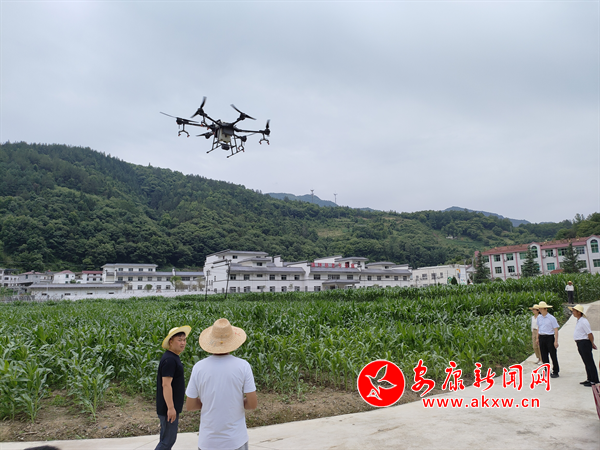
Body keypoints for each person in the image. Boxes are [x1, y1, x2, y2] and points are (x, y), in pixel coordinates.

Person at [186, 318, 258, 450]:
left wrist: (208, 402)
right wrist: (236, 402)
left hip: (207, 442)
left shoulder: (199, 368)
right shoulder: (243, 366)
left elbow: (190, 405)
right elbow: (252, 404)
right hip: (235, 440)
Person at [155, 325, 191, 450]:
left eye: (184, 340)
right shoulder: (170, 360)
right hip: (168, 408)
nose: (183, 343)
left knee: (166, 440)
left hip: (170, 407)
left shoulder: (173, 357)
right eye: (179, 340)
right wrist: (170, 408)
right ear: (171, 342)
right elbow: (166, 384)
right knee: (167, 441)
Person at [569, 304, 599, 386]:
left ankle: (594, 380)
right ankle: (589, 378)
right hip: (580, 343)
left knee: (589, 362)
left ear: (579, 312)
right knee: (586, 362)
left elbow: (590, 334)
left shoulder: (583, 321)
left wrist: (592, 343)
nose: (573, 312)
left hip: (584, 343)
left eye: (574, 311)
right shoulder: (579, 320)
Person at [536, 301, 560, 378]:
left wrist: (556, 341)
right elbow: (539, 327)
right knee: (544, 355)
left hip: (549, 337)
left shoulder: (551, 318)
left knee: (553, 354)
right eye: (539, 309)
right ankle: (546, 370)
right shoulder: (539, 317)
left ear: (546, 309)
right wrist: (537, 338)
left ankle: (555, 371)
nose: (540, 310)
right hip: (542, 337)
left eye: (541, 309)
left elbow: (556, 329)